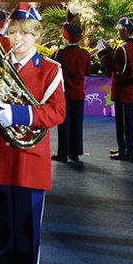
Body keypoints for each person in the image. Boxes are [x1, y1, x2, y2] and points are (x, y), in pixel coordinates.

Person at [0, 2, 66, 264]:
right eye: (13, 33)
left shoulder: (51, 70)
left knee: (25, 235)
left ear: (36, 35)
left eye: (25, 33)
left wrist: (21, 115)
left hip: (29, 160)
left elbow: (57, 112)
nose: (19, 39)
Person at [99, 17, 133, 161]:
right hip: (126, 90)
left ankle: (126, 150)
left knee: (123, 123)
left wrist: (103, 56)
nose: (118, 32)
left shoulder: (124, 48)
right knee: (125, 122)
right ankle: (125, 148)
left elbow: (118, 70)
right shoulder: (129, 46)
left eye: (120, 30)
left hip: (123, 90)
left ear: (126, 31)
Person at [52, 11, 91, 163]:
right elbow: (87, 71)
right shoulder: (84, 54)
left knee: (64, 124)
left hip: (64, 94)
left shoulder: (59, 53)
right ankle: (75, 152)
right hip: (79, 94)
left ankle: (63, 153)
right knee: (76, 124)